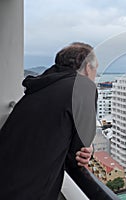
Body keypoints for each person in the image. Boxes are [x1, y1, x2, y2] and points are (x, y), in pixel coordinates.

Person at [0, 42, 98, 199]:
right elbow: (78, 152)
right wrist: (88, 148)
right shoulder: (83, 87)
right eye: (95, 69)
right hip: (29, 191)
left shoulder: (40, 87)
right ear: (87, 67)